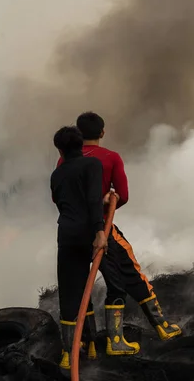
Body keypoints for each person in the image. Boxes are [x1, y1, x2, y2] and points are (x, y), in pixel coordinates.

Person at [56, 112, 182, 349]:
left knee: (78, 289)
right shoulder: (110, 158)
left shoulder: (63, 162)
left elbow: (61, 197)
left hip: (71, 234)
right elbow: (122, 196)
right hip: (101, 229)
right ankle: (156, 327)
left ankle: (88, 346)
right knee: (129, 274)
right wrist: (105, 206)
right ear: (102, 132)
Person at [50, 126, 140, 371]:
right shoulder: (92, 166)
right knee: (117, 283)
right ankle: (114, 341)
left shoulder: (57, 174)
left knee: (71, 295)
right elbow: (91, 200)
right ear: (82, 146)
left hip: (66, 236)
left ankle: (71, 354)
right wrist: (100, 232)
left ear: (59, 149)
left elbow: (62, 202)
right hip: (91, 234)